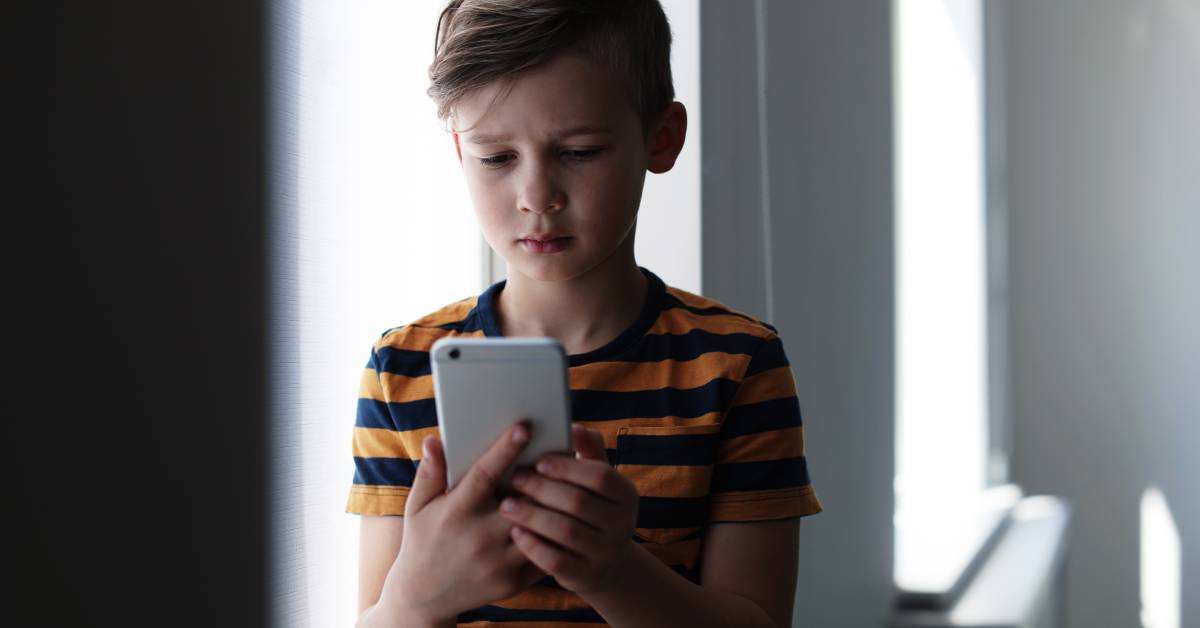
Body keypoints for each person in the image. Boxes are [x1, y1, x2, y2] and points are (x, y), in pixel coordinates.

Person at [348, 1, 821, 626]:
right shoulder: (401, 368)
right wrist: (416, 598)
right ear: (460, 151)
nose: (537, 196)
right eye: (497, 158)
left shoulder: (738, 366)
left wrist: (613, 572)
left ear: (663, 138)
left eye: (579, 151)